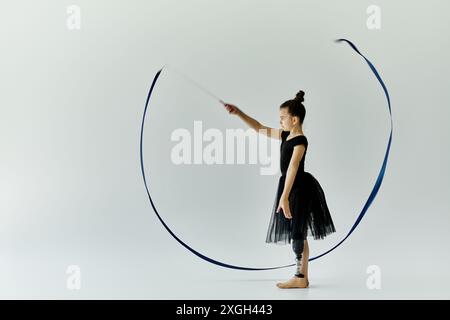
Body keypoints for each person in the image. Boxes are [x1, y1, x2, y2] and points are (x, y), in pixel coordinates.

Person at [224, 90, 336, 289]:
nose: (280, 122)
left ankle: (299, 276)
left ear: (294, 119)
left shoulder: (300, 141)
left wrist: (284, 197)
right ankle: (302, 277)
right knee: (298, 230)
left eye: (282, 118)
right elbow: (259, 127)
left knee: (297, 233)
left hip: (298, 187)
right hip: (289, 187)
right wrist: (239, 113)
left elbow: (293, 167)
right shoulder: (285, 135)